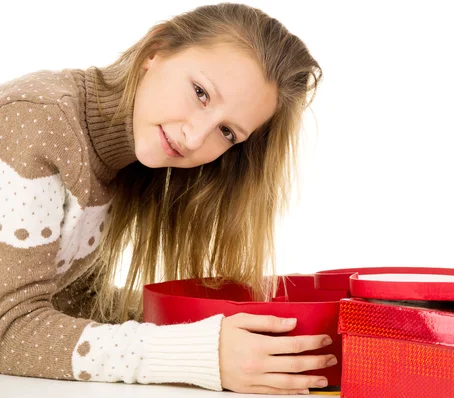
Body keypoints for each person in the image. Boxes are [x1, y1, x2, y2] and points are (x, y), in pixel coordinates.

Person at [0, 3, 335, 395]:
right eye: (200, 93)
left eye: (227, 132)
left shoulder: (127, 157)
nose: (195, 138)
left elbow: (69, 300)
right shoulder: (38, 123)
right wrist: (201, 353)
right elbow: (7, 327)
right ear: (155, 51)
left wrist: (229, 326)